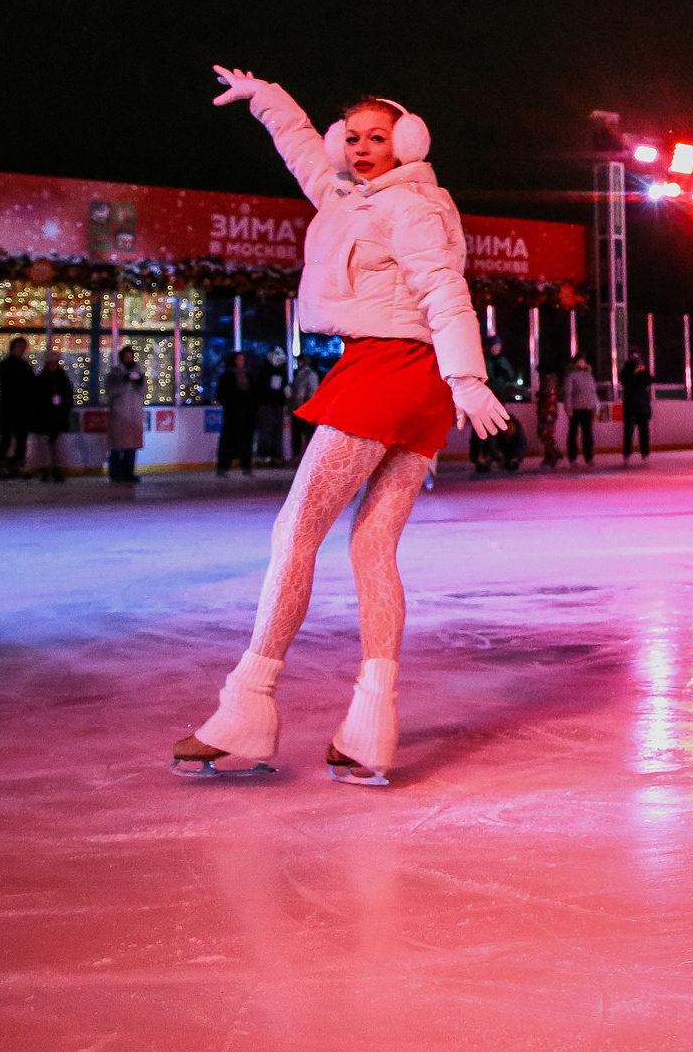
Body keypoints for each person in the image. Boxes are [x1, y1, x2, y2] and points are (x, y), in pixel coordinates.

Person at [172, 67, 507, 787]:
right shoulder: (346, 197)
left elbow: (444, 287)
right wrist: (265, 98)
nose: (360, 148)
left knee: (295, 533)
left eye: (376, 137)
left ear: (406, 143)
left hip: (391, 372)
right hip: (410, 382)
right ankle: (370, 725)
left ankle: (248, 707)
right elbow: (297, 148)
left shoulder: (412, 207)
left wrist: (469, 377)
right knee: (371, 546)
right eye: (351, 137)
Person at [0, 335, 36, 479]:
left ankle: (14, 466)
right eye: (20, 347)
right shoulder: (8, 365)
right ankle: (2, 467)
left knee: (20, 439)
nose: (22, 350)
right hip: (11, 408)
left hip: (18, 409)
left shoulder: (23, 366)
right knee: (7, 439)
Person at [105, 343, 148, 484]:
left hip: (134, 414)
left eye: (131, 356)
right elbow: (111, 392)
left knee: (132, 447)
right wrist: (123, 381)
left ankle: (129, 472)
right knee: (118, 446)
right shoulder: (114, 374)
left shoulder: (138, 373)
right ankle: (116, 473)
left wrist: (140, 382)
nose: (129, 359)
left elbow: (143, 393)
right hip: (120, 414)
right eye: (126, 356)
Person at [31, 350, 75, 482]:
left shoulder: (62, 380)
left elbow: (68, 399)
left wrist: (63, 409)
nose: (53, 365)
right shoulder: (41, 380)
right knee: (45, 445)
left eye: (55, 362)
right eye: (51, 363)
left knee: (57, 445)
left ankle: (57, 469)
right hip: (44, 417)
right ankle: (46, 469)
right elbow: (36, 399)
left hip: (58, 417)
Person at [214, 351, 260, 477]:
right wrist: (233, 402)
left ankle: (246, 466)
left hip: (247, 414)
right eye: (239, 359)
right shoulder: (227, 376)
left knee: (247, 441)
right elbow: (221, 395)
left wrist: (252, 407)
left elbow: (255, 394)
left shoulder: (250, 375)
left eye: (243, 359)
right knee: (228, 441)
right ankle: (223, 467)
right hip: (232, 414)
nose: (241, 362)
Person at [619, 350, 654, 463]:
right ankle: (627, 454)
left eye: (637, 357)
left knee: (644, 431)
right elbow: (627, 383)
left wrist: (643, 372)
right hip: (630, 406)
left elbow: (650, 380)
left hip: (642, 406)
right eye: (633, 357)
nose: (635, 360)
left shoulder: (643, 370)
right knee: (628, 432)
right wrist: (634, 372)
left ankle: (645, 453)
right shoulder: (625, 371)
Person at [564, 356, 599, 467]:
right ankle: (572, 457)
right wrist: (568, 408)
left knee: (587, 434)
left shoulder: (589, 376)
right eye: (579, 362)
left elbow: (593, 392)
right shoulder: (571, 376)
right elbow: (568, 394)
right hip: (575, 409)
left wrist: (596, 407)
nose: (581, 363)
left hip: (587, 408)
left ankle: (589, 458)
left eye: (583, 361)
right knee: (573, 433)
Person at [290, 353, 324, 460]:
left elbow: (313, 391)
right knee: (298, 433)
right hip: (299, 408)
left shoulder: (310, 374)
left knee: (307, 432)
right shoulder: (299, 374)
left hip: (306, 408)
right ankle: (299, 455)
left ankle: (308, 456)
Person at [533, 372, 563, 468]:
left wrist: (541, 395)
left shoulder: (549, 388)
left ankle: (553, 454)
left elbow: (549, 400)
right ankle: (550, 455)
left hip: (548, 413)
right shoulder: (548, 387)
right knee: (545, 434)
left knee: (546, 434)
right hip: (547, 413)